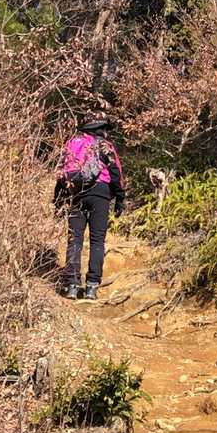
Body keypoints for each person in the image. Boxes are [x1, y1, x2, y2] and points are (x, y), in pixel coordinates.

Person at [54, 116, 125, 301]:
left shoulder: (71, 144)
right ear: (99, 129)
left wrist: (58, 201)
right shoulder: (105, 146)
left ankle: (72, 286)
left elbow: (61, 174)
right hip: (100, 194)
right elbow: (116, 173)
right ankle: (92, 287)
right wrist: (120, 198)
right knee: (97, 241)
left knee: (74, 240)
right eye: (105, 129)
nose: (107, 132)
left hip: (76, 195)